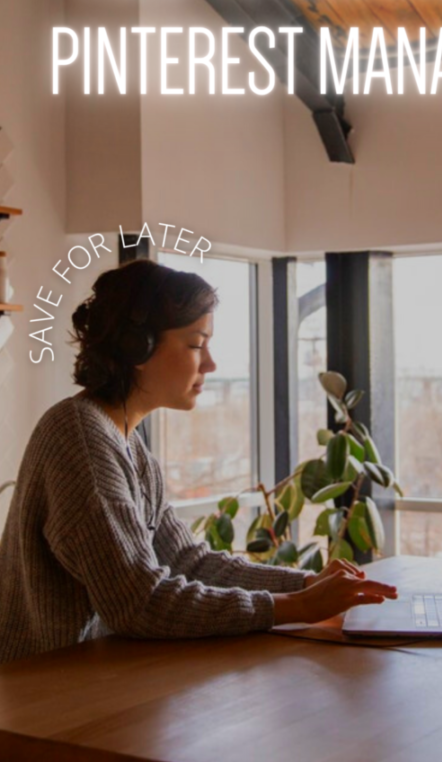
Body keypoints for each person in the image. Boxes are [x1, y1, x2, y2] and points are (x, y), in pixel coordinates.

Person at [0, 259, 396, 663]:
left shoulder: (127, 444)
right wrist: (295, 606)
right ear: (137, 346)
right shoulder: (81, 440)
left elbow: (188, 563)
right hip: (41, 695)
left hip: (91, 680)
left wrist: (307, 583)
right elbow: (140, 603)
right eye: (195, 344)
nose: (210, 363)